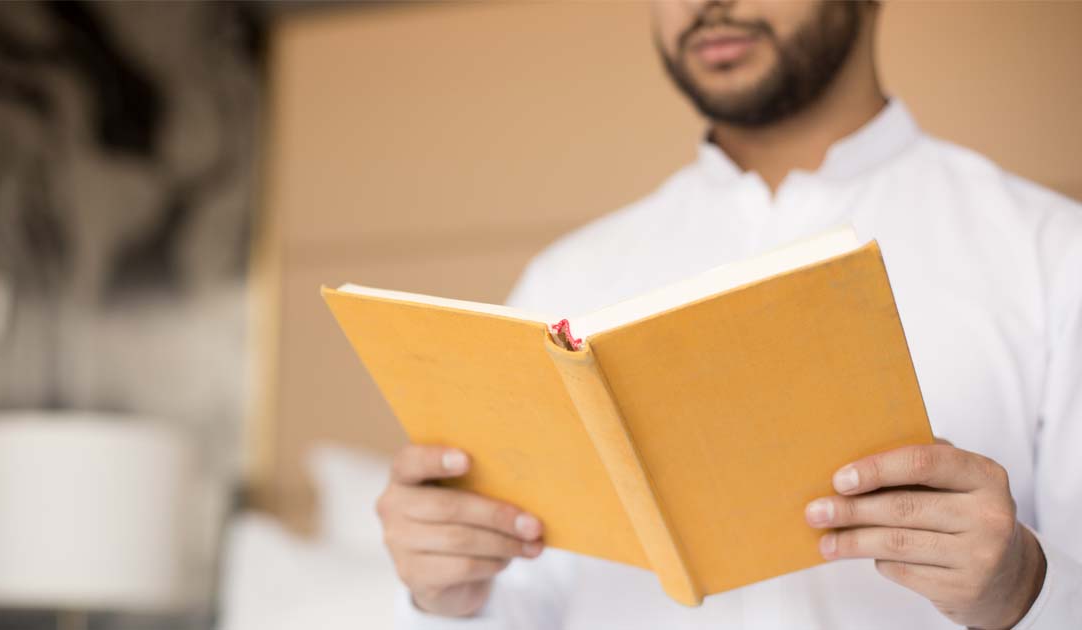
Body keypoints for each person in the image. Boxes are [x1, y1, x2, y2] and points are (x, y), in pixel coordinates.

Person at [374, 1, 1082, 628]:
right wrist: (448, 600)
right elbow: (525, 603)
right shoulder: (561, 282)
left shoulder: (1052, 255)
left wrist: (1025, 591)